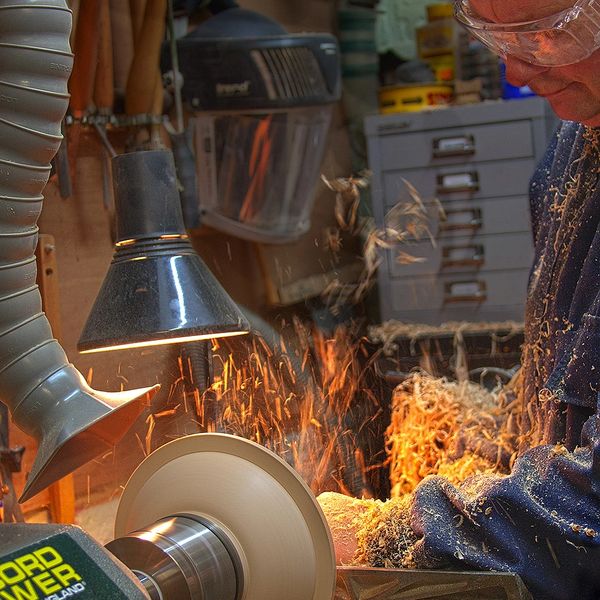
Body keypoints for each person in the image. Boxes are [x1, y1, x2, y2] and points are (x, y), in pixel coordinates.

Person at [322, 2, 600, 598]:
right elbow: (562, 396)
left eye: (550, 33)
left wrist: (388, 537)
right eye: (495, 36)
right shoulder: (568, 163)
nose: (517, 72)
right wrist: (493, 441)